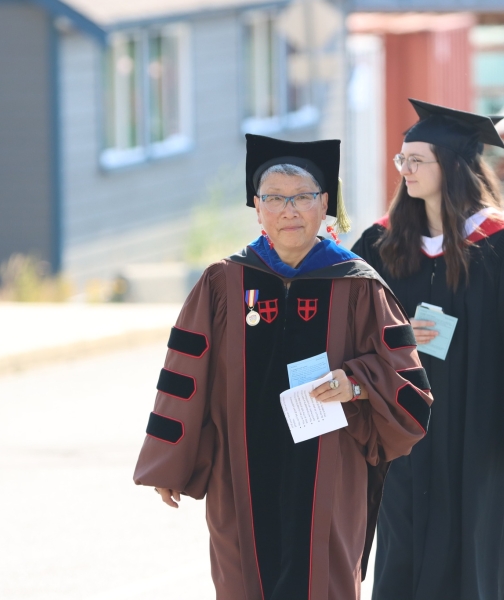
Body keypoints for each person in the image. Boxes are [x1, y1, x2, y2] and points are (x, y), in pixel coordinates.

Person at [133, 133, 433, 600]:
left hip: (331, 473)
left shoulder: (358, 285)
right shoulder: (224, 281)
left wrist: (354, 383)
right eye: (274, 198)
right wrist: (171, 463)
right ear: (257, 207)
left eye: (302, 198)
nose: (288, 210)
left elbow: (406, 379)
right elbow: (185, 377)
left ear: (324, 204)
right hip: (240, 475)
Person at [351, 99, 504, 600]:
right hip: (407, 414)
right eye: (402, 160)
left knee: (477, 536)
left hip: (481, 415)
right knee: (405, 535)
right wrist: (392, 336)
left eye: (417, 159)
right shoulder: (382, 243)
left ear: (452, 166)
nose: (406, 170)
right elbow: (352, 319)